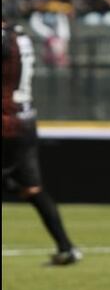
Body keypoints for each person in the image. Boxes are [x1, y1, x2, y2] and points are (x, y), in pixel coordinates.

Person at [2, 18, 81, 266]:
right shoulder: (19, 34)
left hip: (6, 121)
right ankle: (66, 248)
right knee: (32, 188)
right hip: (24, 118)